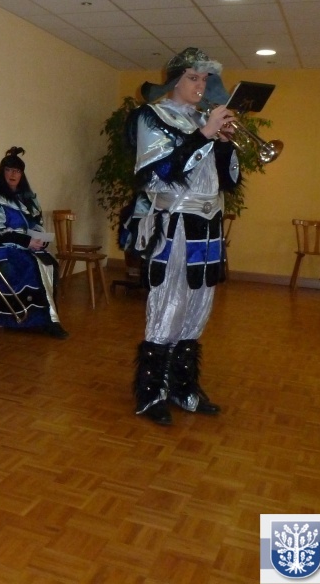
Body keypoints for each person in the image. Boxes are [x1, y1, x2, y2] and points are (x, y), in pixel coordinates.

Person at [122, 47, 239, 426]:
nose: (200, 85)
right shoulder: (152, 117)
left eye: (204, 79)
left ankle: (183, 386)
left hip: (208, 224)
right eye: (192, 77)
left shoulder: (205, 118)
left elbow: (229, 181)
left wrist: (223, 142)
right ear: (174, 81)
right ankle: (150, 392)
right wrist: (205, 134)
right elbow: (158, 173)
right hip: (175, 223)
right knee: (168, 305)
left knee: (198, 306)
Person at [0, 147, 66, 338]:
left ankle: (43, 318)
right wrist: (25, 240)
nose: (13, 174)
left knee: (50, 264)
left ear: (22, 174)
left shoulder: (27, 198)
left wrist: (39, 239)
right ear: (2, 172)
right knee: (28, 265)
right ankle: (25, 318)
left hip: (23, 245)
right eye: (9, 170)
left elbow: (36, 223)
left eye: (17, 171)